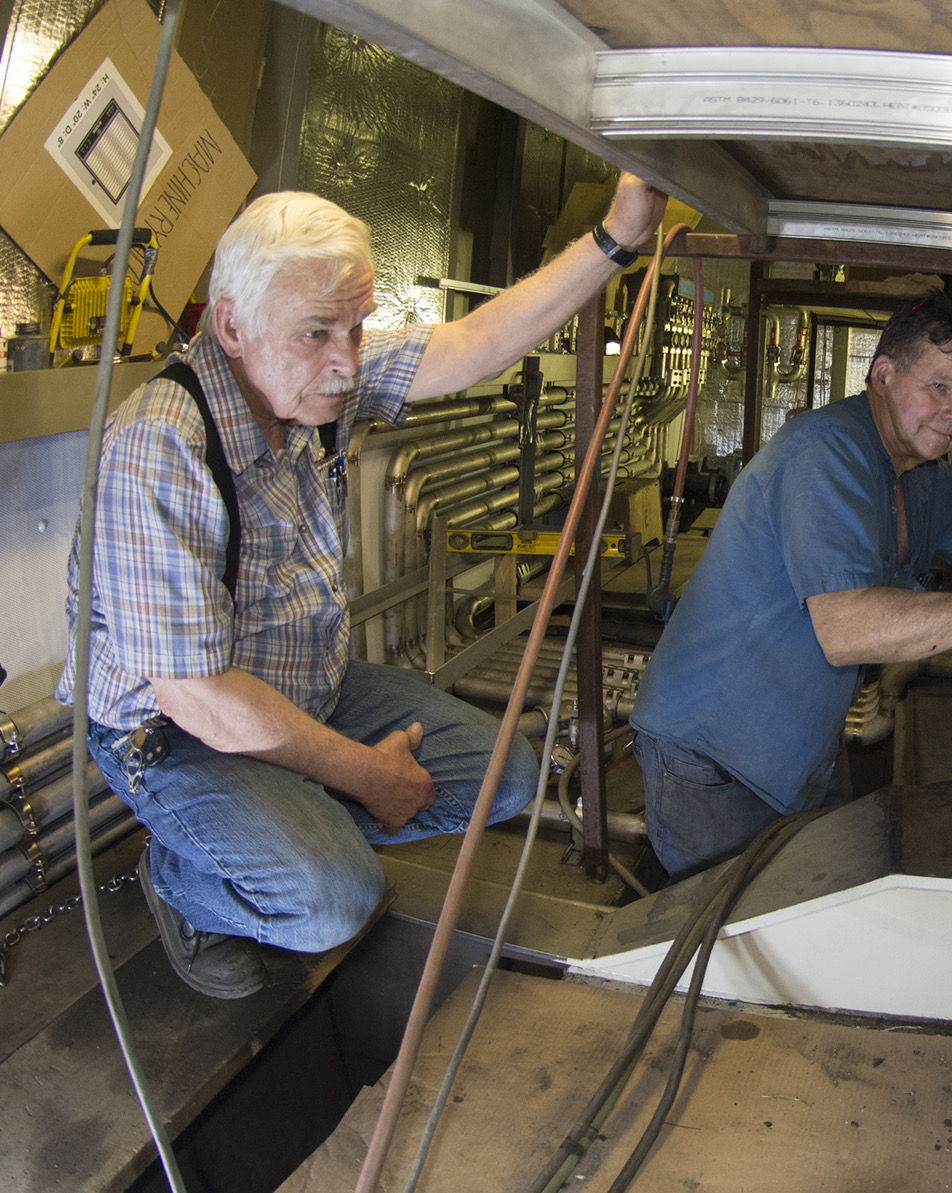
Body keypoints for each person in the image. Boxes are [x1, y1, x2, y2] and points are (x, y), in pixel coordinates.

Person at [59, 175, 669, 998]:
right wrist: (364, 774)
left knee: (510, 776)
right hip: (179, 734)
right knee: (333, 901)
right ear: (232, 325)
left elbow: (474, 342)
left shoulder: (307, 381)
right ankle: (182, 879)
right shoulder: (159, 447)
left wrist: (615, 238)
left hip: (306, 689)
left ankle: (286, 823)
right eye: (320, 332)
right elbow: (201, 700)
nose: (346, 362)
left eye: (358, 326)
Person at [631, 291, 952, 879]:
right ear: (883, 373)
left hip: (801, 754)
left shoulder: (925, 479)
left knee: (809, 918)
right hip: (710, 755)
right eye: (939, 387)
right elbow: (847, 629)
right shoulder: (825, 452)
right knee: (724, 945)